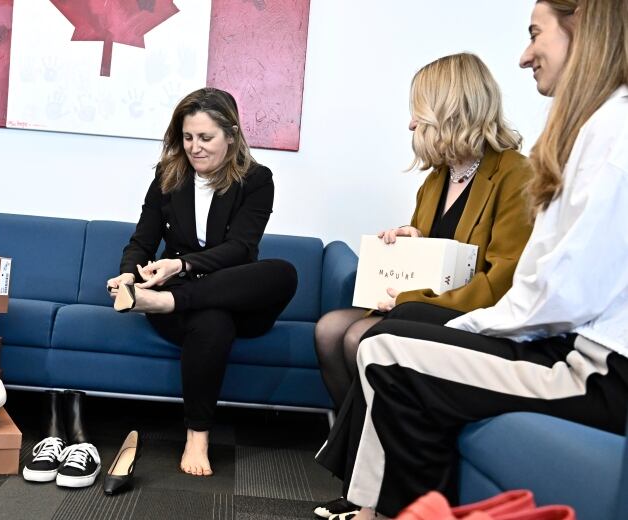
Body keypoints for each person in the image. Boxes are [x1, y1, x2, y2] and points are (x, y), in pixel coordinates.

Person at [317, 0, 628, 518]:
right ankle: (372, 503)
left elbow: (544, 289)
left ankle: (375, 504)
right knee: (374, 334)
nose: (525, 55)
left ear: (584, 30)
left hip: (589, 361)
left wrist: (469, 324)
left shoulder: (596, 139)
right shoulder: (441, 178)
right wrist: (412, 246)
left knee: (385, 343)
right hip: (565, 338)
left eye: (536, 34)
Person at [314, 52, 534, 414]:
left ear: (449, 110)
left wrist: (407, 299)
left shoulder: (516, 175)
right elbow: (436, 255)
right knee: (328, 330)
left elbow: (502, 283)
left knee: (357, 337)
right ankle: (356, 445)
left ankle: (373, 448)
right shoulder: (437, 179)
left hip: (469, 315)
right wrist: (409, 242)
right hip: (423, 303)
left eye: (419, 111)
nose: (412, 124)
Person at [107, 87, 298, 477]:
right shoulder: (168, 176)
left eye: (205, 138)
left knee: (283, 272)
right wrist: (128, 273)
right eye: (188, 137)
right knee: (212, 321)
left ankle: (164, 302)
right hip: (191, 311)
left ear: (231, 134)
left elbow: (241, 249)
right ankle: (198, 437)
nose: (194, 147)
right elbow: (143, 239)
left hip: (233, 298)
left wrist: (180, 267)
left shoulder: (257, 180)